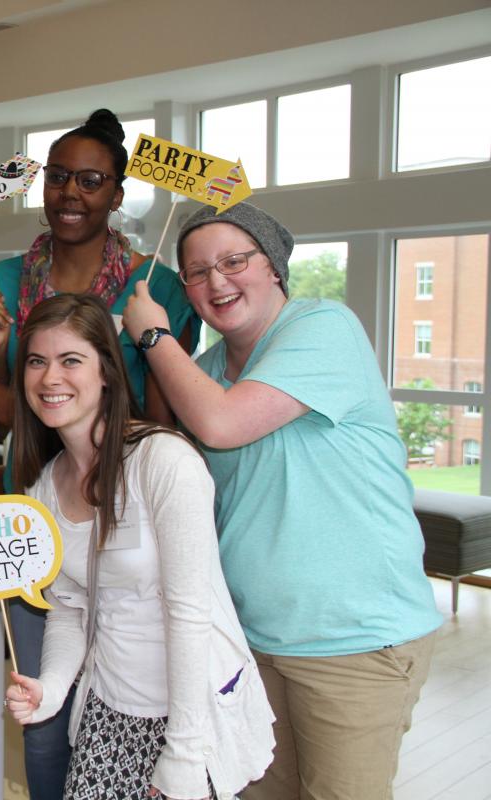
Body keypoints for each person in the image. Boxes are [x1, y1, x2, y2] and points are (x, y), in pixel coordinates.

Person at [122, 201, 442, 800]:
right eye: (196, 271)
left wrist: (152, 335)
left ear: (272, 266)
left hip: (355, 643)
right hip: (252, 643)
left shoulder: (324, 327)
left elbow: (221, 424)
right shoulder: (205, 371)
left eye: (234, 260)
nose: (217, 281)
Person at [0, 108, 200, 800]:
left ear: (117, 194)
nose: (70, 193)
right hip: (35, 525)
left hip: (129, 525)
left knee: (130, 707)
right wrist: (3, 358)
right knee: (43, 714)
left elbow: (165, 418)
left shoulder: (156, 289)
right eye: (58, 178)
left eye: (90, 180)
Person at [4, 293, 275, 800]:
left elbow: (190, 611)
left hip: (189, 718)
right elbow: (67, 610)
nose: (49, 377)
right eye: (37, 361)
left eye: (71, 361)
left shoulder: (163, 461)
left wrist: (185, 754)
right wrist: (53, 688)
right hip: (106, 712)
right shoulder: (42, 487)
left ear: (106, 371)